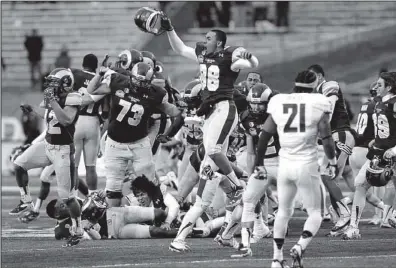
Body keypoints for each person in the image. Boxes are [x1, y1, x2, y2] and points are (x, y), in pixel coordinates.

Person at [158, 12, 259, 252]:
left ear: (220, 42)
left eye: (209, 37)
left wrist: (249, 57)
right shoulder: (204, 54)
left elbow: (249, 63)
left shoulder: (229, 55)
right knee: (203, 198)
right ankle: (180, 240)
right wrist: (169, 29)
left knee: (214, 151)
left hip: (225, 108)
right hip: (211, 113)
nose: (205, 39)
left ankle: (235, 191)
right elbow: (180, 48)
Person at [252, 70, 338, 268]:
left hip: (285, 165)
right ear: (315, 84)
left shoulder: (279, 100)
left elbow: (264, 136)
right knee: (316, 212)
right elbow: (326, 138)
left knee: (283, 211)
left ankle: (276, 258)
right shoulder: (318, 101)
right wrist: (332, 161)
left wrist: (258, 163)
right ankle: (300, 246)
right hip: (307, 164)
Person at [87, 61, 184, 208]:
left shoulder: (154, 93)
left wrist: (183, 105)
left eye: (143, 81)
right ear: (131, 76)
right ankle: (114, 220)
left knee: (150, 182)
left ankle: (158, 214)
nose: (139, 84)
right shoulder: (119, 82)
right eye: (137, 80)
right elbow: (92, 90)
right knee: (113, 187)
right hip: (115, 143)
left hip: (139, 143)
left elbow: (172, 110)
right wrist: (98, 75)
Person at [10, 68, 84, 247]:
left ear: (65, 83)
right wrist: (32, 109)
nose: (51, 86)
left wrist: (53, 101)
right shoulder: (54, 98)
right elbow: (48, 115)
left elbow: (66, 120)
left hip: (63, 150)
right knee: (19, 164)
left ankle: (78, 228)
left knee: (67, 197)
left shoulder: (72, 98)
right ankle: (25, 199)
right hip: (48, 146)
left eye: (55, 82)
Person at [342, 72, 396, 239]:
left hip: (392, 152)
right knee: (361, 184)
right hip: (379, 152)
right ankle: (353, 227)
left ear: (389, 87)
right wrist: (376, 140)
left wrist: (394, 149)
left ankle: (389, 216)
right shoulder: (379, 103)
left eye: (380, 84)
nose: (376, 87)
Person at [308, 64, 354, 237]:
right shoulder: (315, 94)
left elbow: (331, 105)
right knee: (330, 176)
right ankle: (343, 219)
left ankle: (344, 214)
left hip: (340, 134)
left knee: (326, 175)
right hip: (336, 136)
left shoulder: (329, 85)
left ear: (319, 76)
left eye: (311, 77)